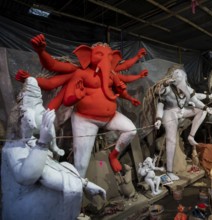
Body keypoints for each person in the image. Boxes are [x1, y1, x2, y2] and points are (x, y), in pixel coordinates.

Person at [16, 34, 148, 176]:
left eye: (109, 56)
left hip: (110, 117)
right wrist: (41, 52)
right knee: (81, 164)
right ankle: (77, 188)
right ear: (87, 55)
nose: (105, 59)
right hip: (85, 119)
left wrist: (129, 97)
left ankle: (113, 155)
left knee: (131, 130)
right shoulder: (80, 73)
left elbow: (120, 84)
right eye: (99, 54)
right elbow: (54, 69)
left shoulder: (111, 74)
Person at [1, 77, 106, 220]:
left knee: (66, 166)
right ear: (27, 118)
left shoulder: (32, 143)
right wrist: (43, 142)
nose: (45, 115)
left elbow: (50, 172)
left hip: (34, 202)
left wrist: (84, 184)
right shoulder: (13, 148)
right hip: (21, 207)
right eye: (41, 113)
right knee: (60, 187)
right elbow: (28, 176)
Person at [143, 64, 212, 181]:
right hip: (169, 113)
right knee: (171, 140)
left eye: (181, 75)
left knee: (201, 111)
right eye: (177, 75)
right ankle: (169, 171)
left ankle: (191, 136)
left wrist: (207, 108)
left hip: (182, 112)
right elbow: (159, 98)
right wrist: (158, 119)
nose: (180, 77)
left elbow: (196, 101)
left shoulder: (187, 89)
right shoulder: (167, 88)